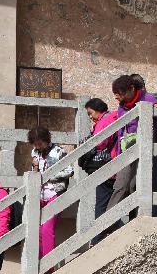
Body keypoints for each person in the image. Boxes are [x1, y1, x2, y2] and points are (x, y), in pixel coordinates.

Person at [108, 74, 157, 217]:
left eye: (120, 94)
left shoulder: (149, 99)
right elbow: (121, 130)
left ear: (132, 89)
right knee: (121, 186)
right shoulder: (122, 106)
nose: (117, 97)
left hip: (145, 151)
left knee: (136, 185)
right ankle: (107, 223)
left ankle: (136, 218)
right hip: (126, 150)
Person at [28, 126, 73, 259]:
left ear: (46, 140)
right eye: (35, 144)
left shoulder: (59, 151)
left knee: (47, 229)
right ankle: (39, 262)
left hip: (54, 193)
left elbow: (69, 170)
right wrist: (35, 167)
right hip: (39, 195)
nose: (38, 146)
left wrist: (49, 175)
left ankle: (49, 266)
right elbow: (35, 172)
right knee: (37, 230)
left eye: (40, 143)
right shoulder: (35, 152)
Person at [83, 98, 119, 223]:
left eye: (90, 113)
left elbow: (99, 143)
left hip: (106, 167)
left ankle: (97, 239)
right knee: (109, 203)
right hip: (112, 166)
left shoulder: (105, 121)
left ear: (98, 110)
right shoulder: (111, 117)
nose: (90, 117)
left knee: (101, 204)